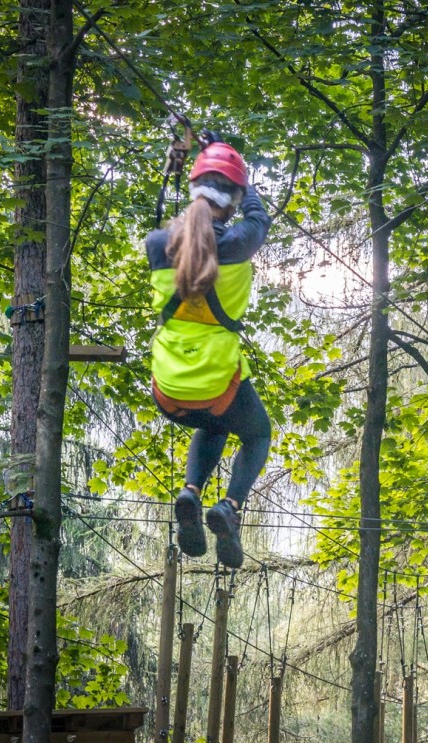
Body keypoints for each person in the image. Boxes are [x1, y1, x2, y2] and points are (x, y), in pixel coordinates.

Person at [145, 138, 272, 570]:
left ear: (194, 191)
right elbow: (259, 216)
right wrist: (246, 180)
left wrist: (185, 171)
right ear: (233, 202)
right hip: (218, 383)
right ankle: (230, 506)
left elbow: (168, 220)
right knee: (256, 434)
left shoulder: (158, 244)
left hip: (168, 389)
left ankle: (191, 492)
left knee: (214, 424)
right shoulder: (240, 242)